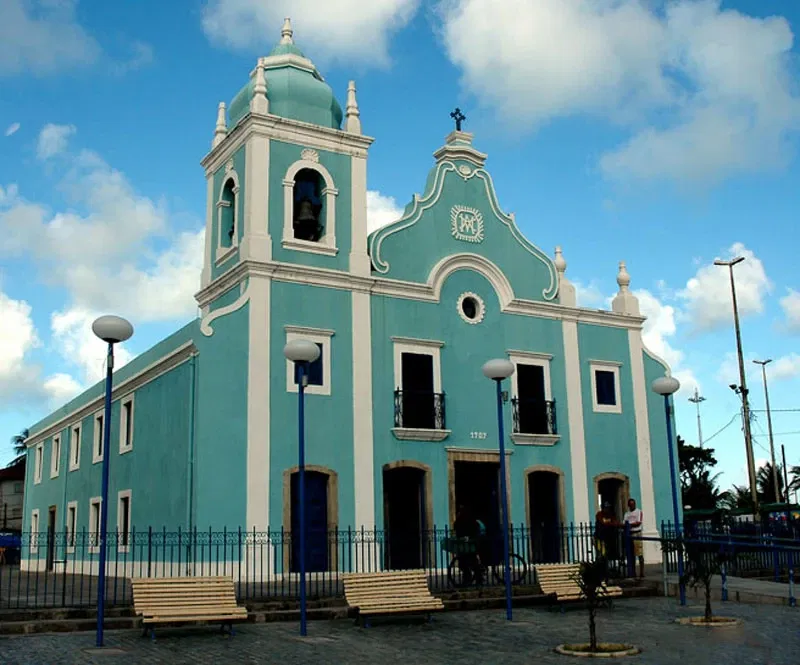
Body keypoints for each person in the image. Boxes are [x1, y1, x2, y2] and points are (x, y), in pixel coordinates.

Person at [623, 498, 645, 578]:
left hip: (637, 533)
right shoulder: (627, 514)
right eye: (631, 504)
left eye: (633, 504)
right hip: (629, 534)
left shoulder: (638, 512)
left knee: (639, 553)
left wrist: (629, 525)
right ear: (629, 505)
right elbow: (624, 523)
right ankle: (633, 572)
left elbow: (638, 523)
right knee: (631, 554)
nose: (632, 506)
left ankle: (642, 572)